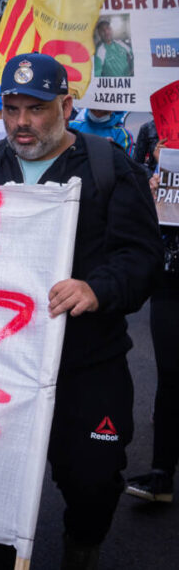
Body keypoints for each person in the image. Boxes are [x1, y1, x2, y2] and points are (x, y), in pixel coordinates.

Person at [0, 52, 161, 569]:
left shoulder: (110, 167)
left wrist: (96, 288)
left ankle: (81, 543)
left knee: (92, 478)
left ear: (66, 105)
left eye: (37, 109)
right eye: (12, 108)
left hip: (88, 362)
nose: (22, 122)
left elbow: (141, 256)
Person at [125, 140, 179, 503]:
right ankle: (162, 475)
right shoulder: (165, 145)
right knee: (172, 375)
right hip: (173, 278)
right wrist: (153, 194)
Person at [70, 108, 134, 157]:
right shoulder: (71, 126)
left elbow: (126, 167)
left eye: (104, 111)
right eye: (94, 110)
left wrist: (113, 151)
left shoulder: (123, 135)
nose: (98, 114)